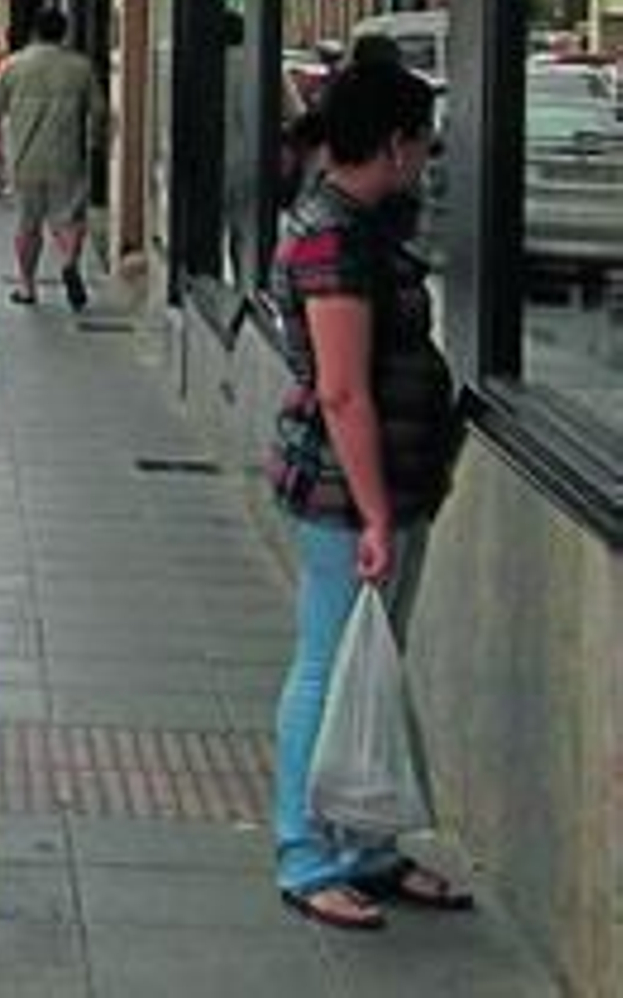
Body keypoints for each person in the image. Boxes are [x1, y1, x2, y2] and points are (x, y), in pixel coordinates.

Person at [269, 57, 472, 931]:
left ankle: (365, 845)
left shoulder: (359, 226)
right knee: (329, 663)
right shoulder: (333, 239)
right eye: (423, 143)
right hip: (345, 493)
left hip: (380, 482)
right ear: (394, 145)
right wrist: (378, 514)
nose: (426, 160)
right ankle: (307, 853)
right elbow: (344, 390)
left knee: (370, 664)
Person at [0, 7, 106, 311]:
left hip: (25, 159)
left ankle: (27, 287)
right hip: (67, 157)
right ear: (64, 33)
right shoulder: (80, 67)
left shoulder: (13, 65)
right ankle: (69, 262)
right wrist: (95, 144)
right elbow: (99, 111)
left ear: (34, 32)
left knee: (28, 226)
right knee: (69, 220)